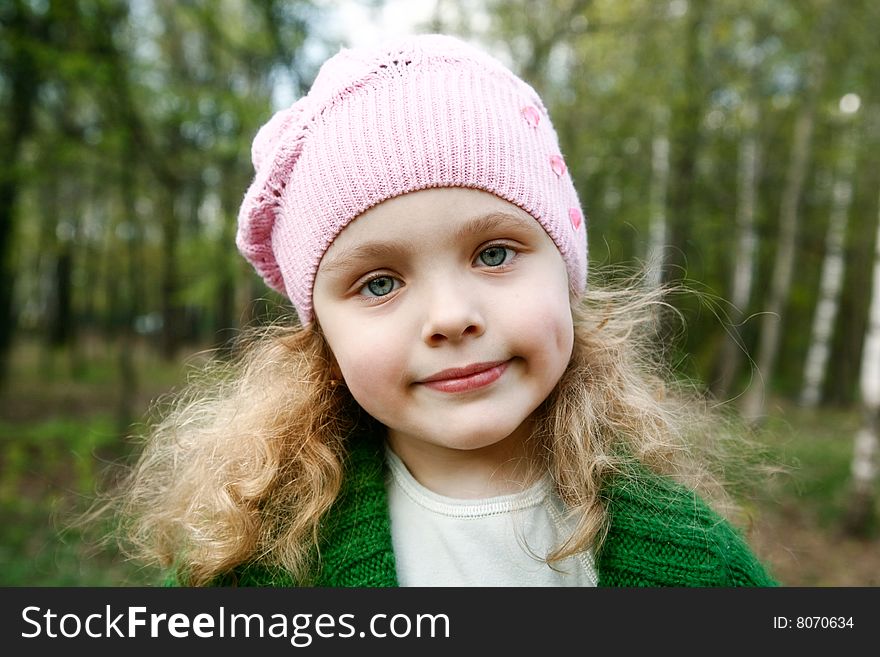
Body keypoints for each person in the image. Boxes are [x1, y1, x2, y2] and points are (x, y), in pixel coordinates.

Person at [110, 34, 777, 587]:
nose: (451, 316)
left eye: (493, 253)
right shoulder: (258, 561)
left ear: (566, 272)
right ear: (323, 339)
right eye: (378, 284)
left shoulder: (697, 562)